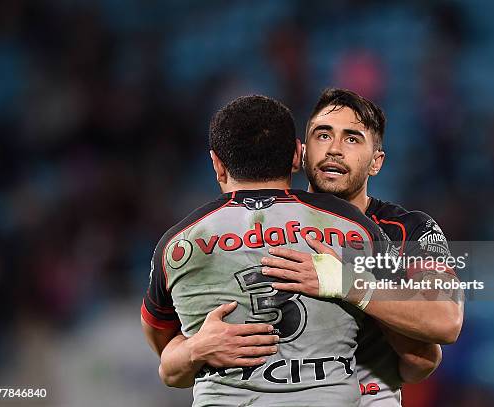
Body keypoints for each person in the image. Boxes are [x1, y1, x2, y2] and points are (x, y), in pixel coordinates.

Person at [157, 89, 465, 406]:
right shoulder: (246, 229)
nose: (334, 149)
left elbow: (445, 320)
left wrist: (346, 284)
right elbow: (171, 365)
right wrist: (196, 348)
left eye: (352, 139)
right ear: (300, 153)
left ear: (376, 162)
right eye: (323, 135)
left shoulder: (407, 230)